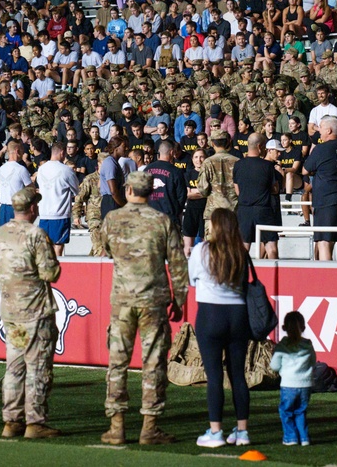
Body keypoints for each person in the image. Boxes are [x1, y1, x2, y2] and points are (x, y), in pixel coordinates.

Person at [95, 171, 187, 446]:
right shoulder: (161, 220)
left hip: (123, 300)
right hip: (153, 301)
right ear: (150, 192)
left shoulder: (113, 218)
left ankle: (117, 425)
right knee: (154, 363)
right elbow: (178, 262)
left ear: (129, 190)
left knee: (117, 363)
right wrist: (179, 298)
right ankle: (150, 426)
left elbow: (106, 248)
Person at [0, 187, 62, 439]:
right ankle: (35, 422)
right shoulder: (36, 235)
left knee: (14, 368)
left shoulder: (0, 234)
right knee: (38, 368)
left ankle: (11, 421)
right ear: (33, 207)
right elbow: (50, 273)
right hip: (35, 312)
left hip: (11, 313)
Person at [188, 208, 252, 448]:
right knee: (238, 375)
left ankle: (216, 432)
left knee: (214, 376)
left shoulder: (201, 250)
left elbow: (191, 279)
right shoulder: (240, 252)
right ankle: (242, 431)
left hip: (210, 313)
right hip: (238, 315)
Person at [302, 115, 337, 261]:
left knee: (324, 242)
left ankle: (327, 277)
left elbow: (305, 170)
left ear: (329, 130)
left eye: (321, 128)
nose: (319, 131)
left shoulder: (321, 149)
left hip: (326, 200)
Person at [270, 311, 316, 447]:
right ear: (303, 328)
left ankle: (290, 437)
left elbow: (274, 366)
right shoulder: (308, 345)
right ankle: (304, 437)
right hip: (306, 385)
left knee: (286, 411)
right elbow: (313, 362)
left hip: (288, 384)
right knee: (301, 411)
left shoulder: (282, 346)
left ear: (284, 328)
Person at [233, 133, 281, 258]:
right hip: (263, 210)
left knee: (243, 247)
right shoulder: (268, 166)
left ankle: (240, 276)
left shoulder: (238, 165)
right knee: (271, 247)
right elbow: (275, 189)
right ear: (259, 146)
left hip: (244, 210)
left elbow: (237, 190)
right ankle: (274, 276)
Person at [36, 141, 79, 256]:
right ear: (62, 152)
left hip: (44, 213)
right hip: (60, 213)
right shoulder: (67, 170)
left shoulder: (41, 169)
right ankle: (57, 272)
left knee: (45, 248)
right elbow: (76, 190)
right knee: (58, 247)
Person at [196, 131, 238, 237]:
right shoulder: (237, 162)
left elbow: (203, 189)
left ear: (212, 143)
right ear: (228, 142)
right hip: (233, 211)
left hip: (213, 213)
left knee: (213, 248)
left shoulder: (208, 162)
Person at [144, 139, 187, 226]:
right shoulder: (176, 171)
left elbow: (141, 191)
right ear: (171, 152)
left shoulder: (147, 169)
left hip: (149, 217)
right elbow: (182, 196)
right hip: (169, 218)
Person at [0, 141, 33, 227]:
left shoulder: (1, 169)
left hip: (3, 208)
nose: (23, 153)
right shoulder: (20, 169)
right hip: (16, 207)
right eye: (22, 150)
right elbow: (31, 188)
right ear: (17, 151)